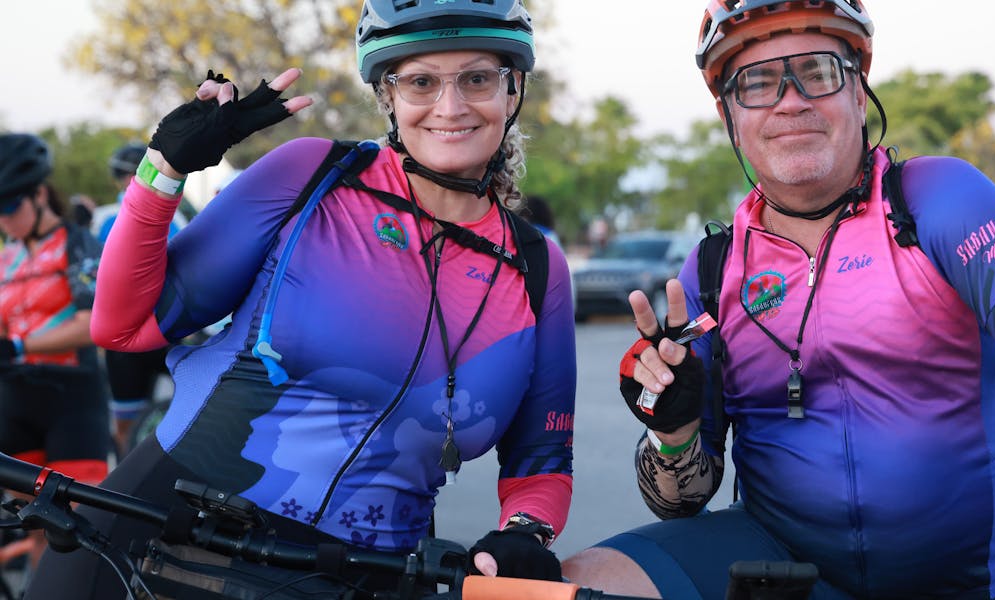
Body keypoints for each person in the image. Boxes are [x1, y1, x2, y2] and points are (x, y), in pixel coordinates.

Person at [560, 2, 995, 600]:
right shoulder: (712, 268)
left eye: (815, 72)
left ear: (858, 91)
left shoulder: (937, 201)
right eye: (757, 82)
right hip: (777, 570)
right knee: (569, 584)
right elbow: (679, 501)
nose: (790, 102)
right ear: (730, 115)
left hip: (948, 582)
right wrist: (673, 433)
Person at [27, 1, 576, 597]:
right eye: (421, 81)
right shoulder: (314, 178)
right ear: (387, 96)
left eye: (477, 78)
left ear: (513, 88)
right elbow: (123, 326)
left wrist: (525, 531)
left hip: (370, 575)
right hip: (162, 538)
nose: (450, 106)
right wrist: (162, 171)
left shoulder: (537, 269)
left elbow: (541, 459)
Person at [0, 133, 109, 571]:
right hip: (15, 402)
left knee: (77, 531)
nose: (6, 221)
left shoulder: (77, 243)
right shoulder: (7, 258)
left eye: (10, 208)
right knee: (36, 525)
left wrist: (20, 345)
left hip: (72, 401)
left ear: (39, 193)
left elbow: (93, 324)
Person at [98, 143, 180, 457]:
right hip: (166, 326)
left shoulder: (105, 216)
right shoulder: (178, 213)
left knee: (127, 425)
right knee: (183, 412)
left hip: (125, 333)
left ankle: (125, 482)